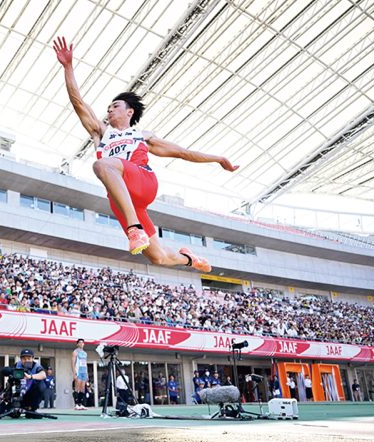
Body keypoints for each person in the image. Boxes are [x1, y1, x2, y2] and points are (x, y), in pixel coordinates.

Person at [53, 36, 238, 269]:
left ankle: (134, 229)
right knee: (158, 257)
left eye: (115, 106)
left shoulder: (143, 136)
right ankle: (191, 259)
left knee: (101, 165)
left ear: (129, 112)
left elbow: (183, 152)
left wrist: (219, 159)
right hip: (121, 199)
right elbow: (78, 102)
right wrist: (68, 68)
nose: (109, 110)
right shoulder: (101, 132)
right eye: (108, 108)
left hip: (142, 182)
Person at [0, 349, 46, 418]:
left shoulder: (36, 366)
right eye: (24, 358)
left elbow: (43, 375)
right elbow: (6, 374)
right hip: (17, 396)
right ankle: (13, 410)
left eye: (29, 358)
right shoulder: (17, 365)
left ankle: (31, 409)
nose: (26, 360)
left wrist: (30, 376)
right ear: (20, 359)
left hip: (30, 396)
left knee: (42, 385)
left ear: (33, 358)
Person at [72, 338, 88, 410]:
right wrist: (74, 372)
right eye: (80, 343)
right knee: (77, 387)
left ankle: (80, 404)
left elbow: (85, 363)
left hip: (83, 371)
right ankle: (76, 404)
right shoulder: (75, 352)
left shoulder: (85, 353)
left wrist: (86, 373)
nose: (81, 344)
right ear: (77, 344)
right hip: (78, 371)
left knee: (83, 388)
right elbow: (73, 363)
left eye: (82, 343)